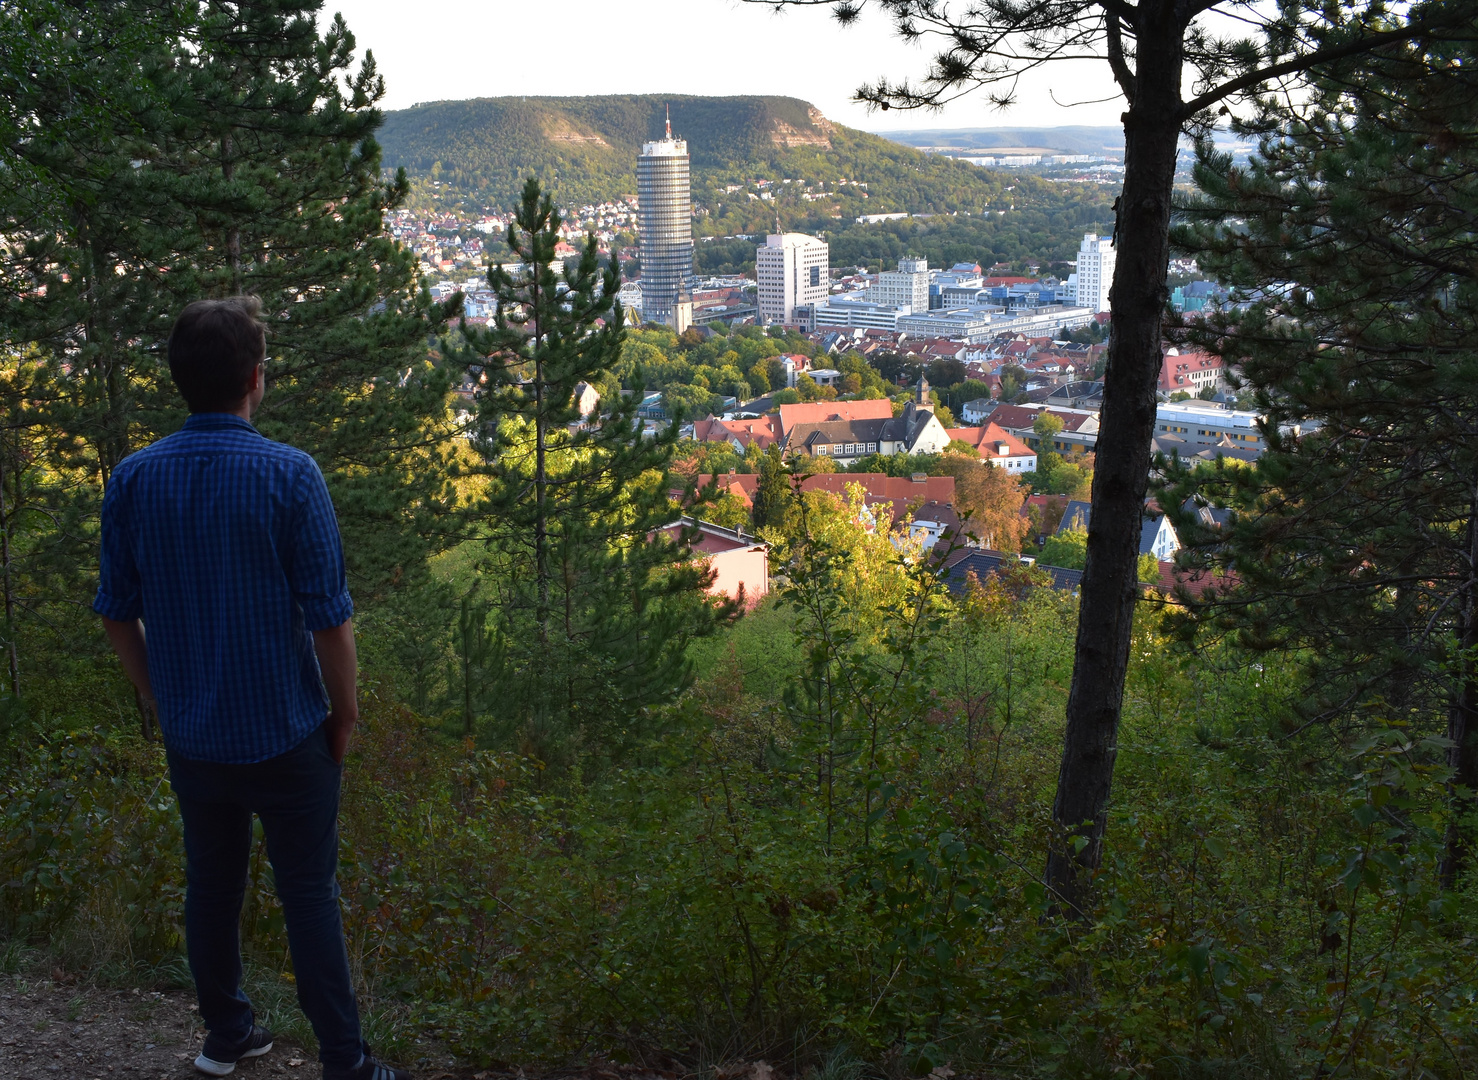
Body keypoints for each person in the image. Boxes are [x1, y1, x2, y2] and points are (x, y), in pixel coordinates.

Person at [94, 297, 409, 1080]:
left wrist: (162, 697)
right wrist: (346, 715)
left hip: (196, 735)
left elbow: (115, 615)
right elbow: (332, 623)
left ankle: (227, 1032)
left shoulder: (133, 478)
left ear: (179, 381)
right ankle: (345, 1060)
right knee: (308, 894)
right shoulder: (290, 475)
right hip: (286, 728)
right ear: (256, 380)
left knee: (211, 884)